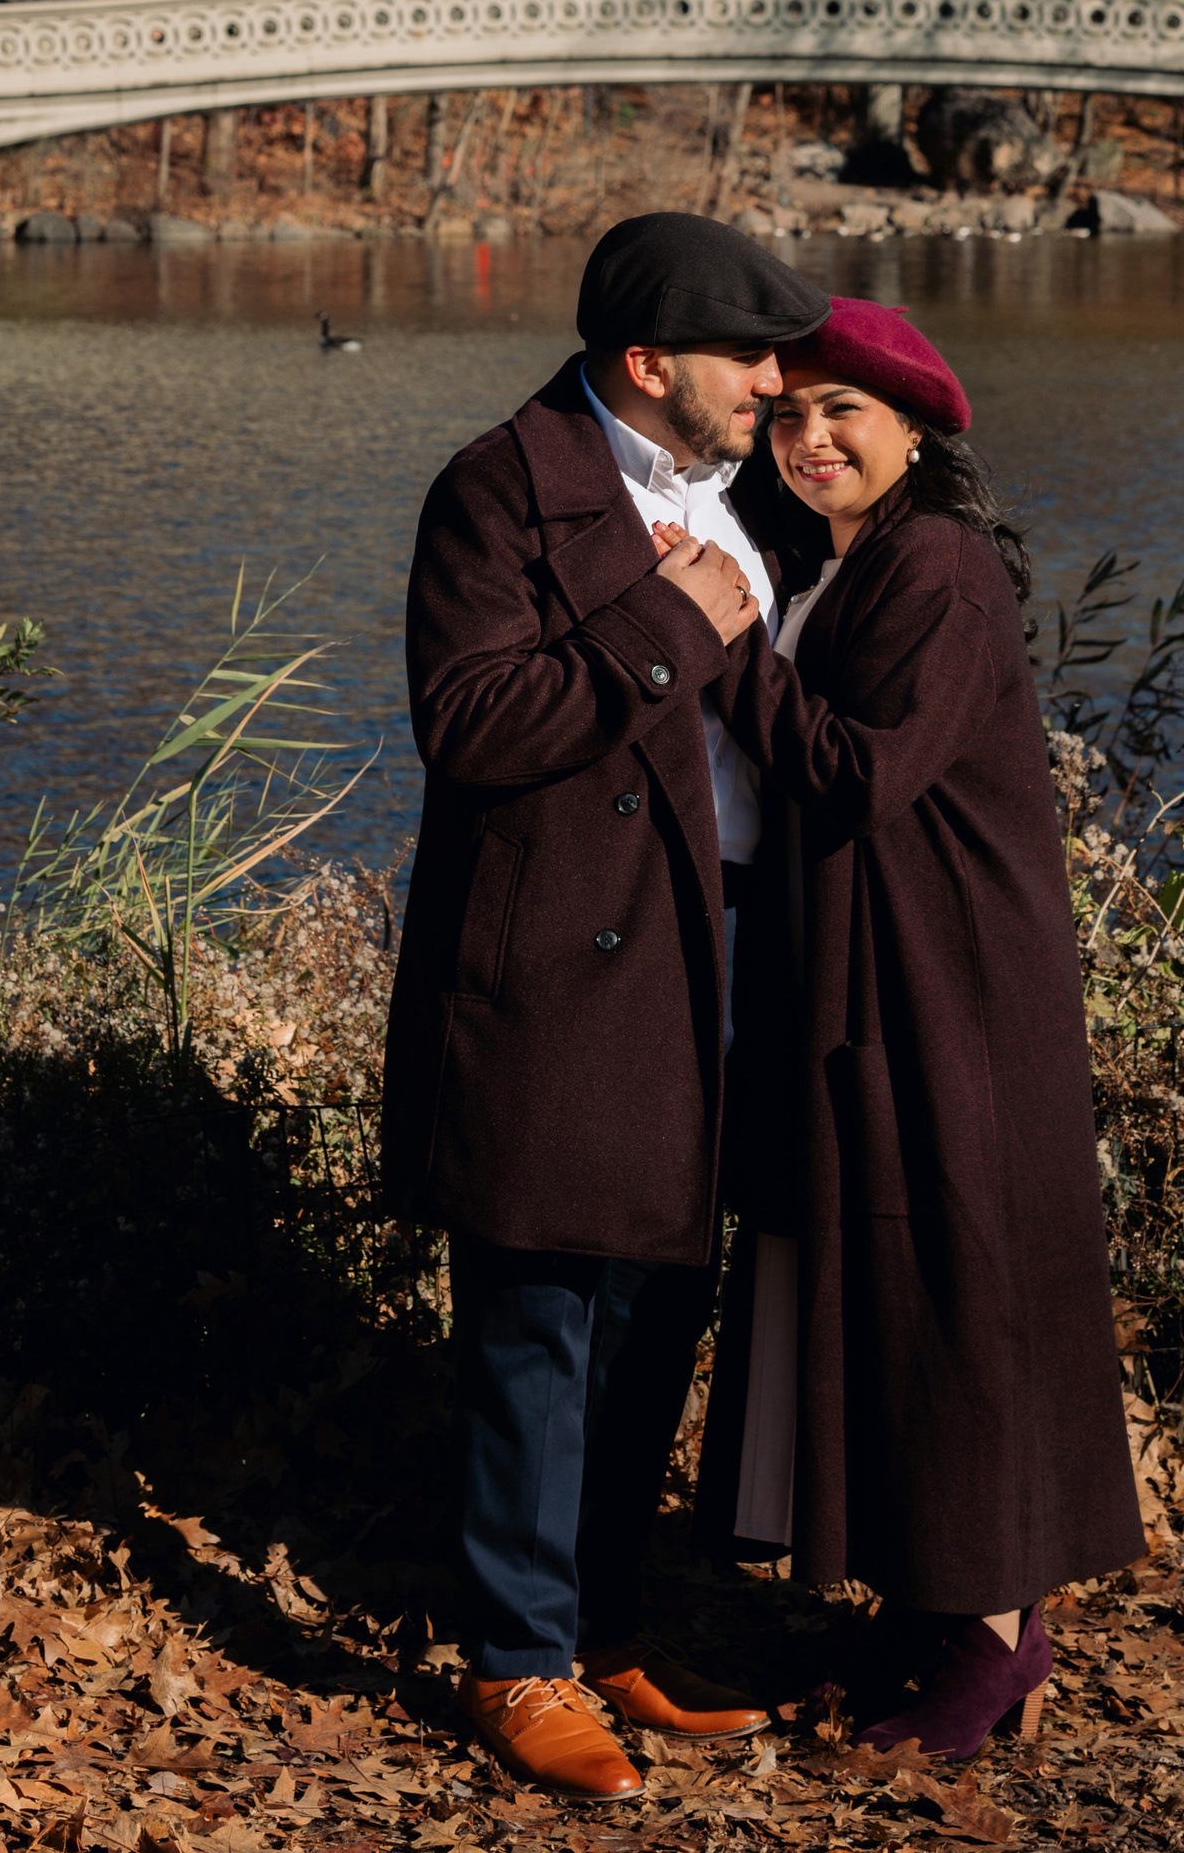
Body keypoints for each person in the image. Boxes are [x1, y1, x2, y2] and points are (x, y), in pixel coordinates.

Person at [381, 211, 829, 1799]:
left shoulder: (758, 489)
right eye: (749, 359)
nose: (779, 383)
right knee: (539, 1317)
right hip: (567, 958)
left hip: (729, 947)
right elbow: (471, 723)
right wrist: (663, 627)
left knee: (659, 1304)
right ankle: (516, 1664)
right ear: (649, 366)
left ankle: (609, 1627)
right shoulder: (499, 486)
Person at [695, 296, 1145, 1761]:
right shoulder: (846, 568)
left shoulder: (936, 569)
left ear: (917, 434)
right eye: (788, 414)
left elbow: (862, 774)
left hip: (951, 989)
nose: (809, 438)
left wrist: (719, 653)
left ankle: (999, 1635)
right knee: (894, 1276)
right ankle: (933, 1602)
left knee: (959, 1283)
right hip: (882, 973)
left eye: (844, 415)